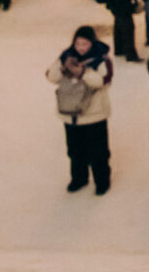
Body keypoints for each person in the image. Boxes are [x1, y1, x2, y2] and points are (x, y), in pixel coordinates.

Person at [46, 24, 113, 194]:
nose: (81, 48)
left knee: (98, 152)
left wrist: (82, 72)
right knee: (75, 151)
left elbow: (102, 81)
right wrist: (63, 66)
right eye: (78, 44)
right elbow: (51, 77)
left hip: (94, 115)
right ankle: (79, 178)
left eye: (85, 44)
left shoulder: (102, 59)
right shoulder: (66, 56)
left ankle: (102, 180)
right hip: (70, 115)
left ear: (92, 43)